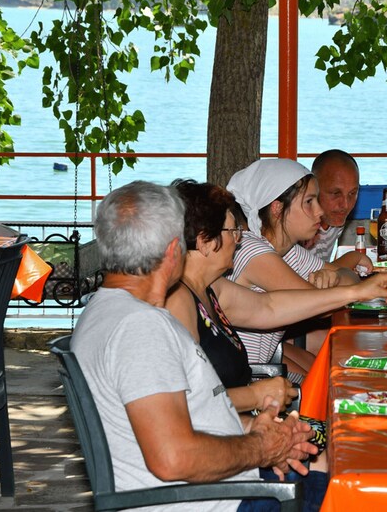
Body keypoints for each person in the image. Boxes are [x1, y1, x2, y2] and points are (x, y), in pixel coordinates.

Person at [70, 180, 321, 512]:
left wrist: (257, 430)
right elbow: (173, 457)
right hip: (211, 501)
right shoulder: (140, 328)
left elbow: (191, 414)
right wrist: (261, 448)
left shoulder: (105, 311)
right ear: (174, 249)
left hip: (221, 485)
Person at [164, 179, 387, 414]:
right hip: (229, 429)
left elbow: (268, 306)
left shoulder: (212, 288)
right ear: (205, 242)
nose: (238, 240)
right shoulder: (179, 301)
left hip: (242, 421)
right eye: (233, 231)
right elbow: (187, 404)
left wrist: (359, 291)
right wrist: (256, 396)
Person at [226, 159, 362, 378]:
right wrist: (351, 275)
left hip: (262, 365)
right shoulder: (251, 250)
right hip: (242, 379)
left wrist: (335, 277)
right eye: (309, 202)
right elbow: (321, 306)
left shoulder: (290, 252)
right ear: (277, 208)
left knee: (336, 375)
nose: (319, 211)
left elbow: (350, 277)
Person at [305, 149, 370, 271]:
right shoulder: (297, 228)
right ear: (313, 187)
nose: (345, 205)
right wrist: (354, 257)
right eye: (335, 193)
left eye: (352, 193)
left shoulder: (334, 219)